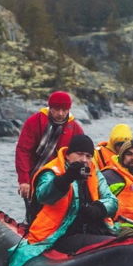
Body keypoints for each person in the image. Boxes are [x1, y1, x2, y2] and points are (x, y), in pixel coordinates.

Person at [8, 134, 118, 266]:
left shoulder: (93, 172)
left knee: (120, 242)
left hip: (89, 229)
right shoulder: (52, 171)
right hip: (60, 233)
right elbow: (44, 195)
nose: (84, 160)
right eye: (79, 154)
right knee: (109, 246)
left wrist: (98, 208)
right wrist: (66, 178)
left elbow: (112, 200)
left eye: (88, 156)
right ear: (68, 155)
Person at [15, 91, 84, 221]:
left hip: (62, 177)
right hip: (36, 175)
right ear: (50, 108)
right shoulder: (34, 122)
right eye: (57, 109)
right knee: (34, 211)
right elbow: (23, 151)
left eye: (64, 110)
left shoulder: (75, 128)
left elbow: (82, 154)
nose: (61, 114)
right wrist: (24, 180)